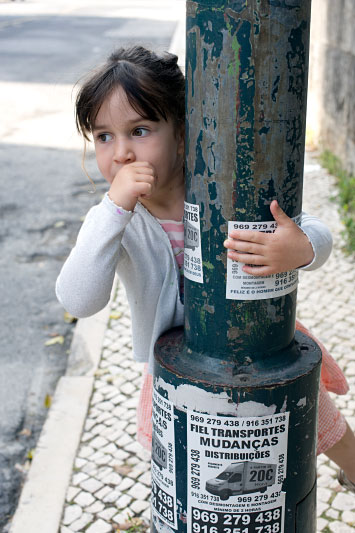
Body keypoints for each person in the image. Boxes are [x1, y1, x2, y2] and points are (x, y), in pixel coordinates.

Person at [55, 46, 355, 493]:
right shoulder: (118, 221)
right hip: (175, 368)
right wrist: (113, 210)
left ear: (181, 134)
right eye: (103, 137)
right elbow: (78, 298)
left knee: (320, 424)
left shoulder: (222, 184)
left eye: (139, 130)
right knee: (187, 467)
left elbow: (311, 228)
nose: (120, 153)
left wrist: (301, 248)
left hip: (257, 345)